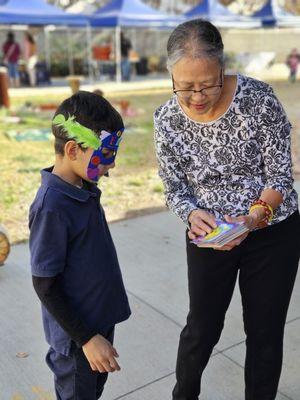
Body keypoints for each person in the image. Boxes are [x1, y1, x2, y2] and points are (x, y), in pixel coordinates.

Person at [154, 19, 300, 400]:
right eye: (185, 87)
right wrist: (190, 213)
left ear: (222, 67)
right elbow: (174, 188)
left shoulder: (259, 100)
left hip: (271, 232)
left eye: (207, 84)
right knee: (201, 328)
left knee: (265, 331)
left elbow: (281, 177)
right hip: (210, 236)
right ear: (171, 75)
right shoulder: (166, 119)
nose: (197, 96)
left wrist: (253, 217)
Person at [29, 91, 131, 400]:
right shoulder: (52, 207)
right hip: (78, 341)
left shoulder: (82, 187)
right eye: (104, 157)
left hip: (98, 322)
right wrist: (87, 339)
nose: (109, 168)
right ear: (73, 149)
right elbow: (44, 284)